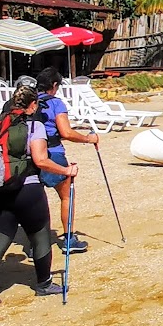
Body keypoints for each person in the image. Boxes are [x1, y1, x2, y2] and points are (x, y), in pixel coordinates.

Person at [0, 80, 76, 307]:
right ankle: (44, 284)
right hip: (27, 189)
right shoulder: (34, 126)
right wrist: (67, 170)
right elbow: (41, 160)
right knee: (40, 237)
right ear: (32, 105)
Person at [34, 67, 99, 254]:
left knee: (36, 200)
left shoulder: (30, 102)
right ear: (54, 85)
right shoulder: (55, 103)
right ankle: (69, 238)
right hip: (52, 153)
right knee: (66, 196)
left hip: (31, 155)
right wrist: (88, 139)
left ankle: (35, 243)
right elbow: (66, 132)